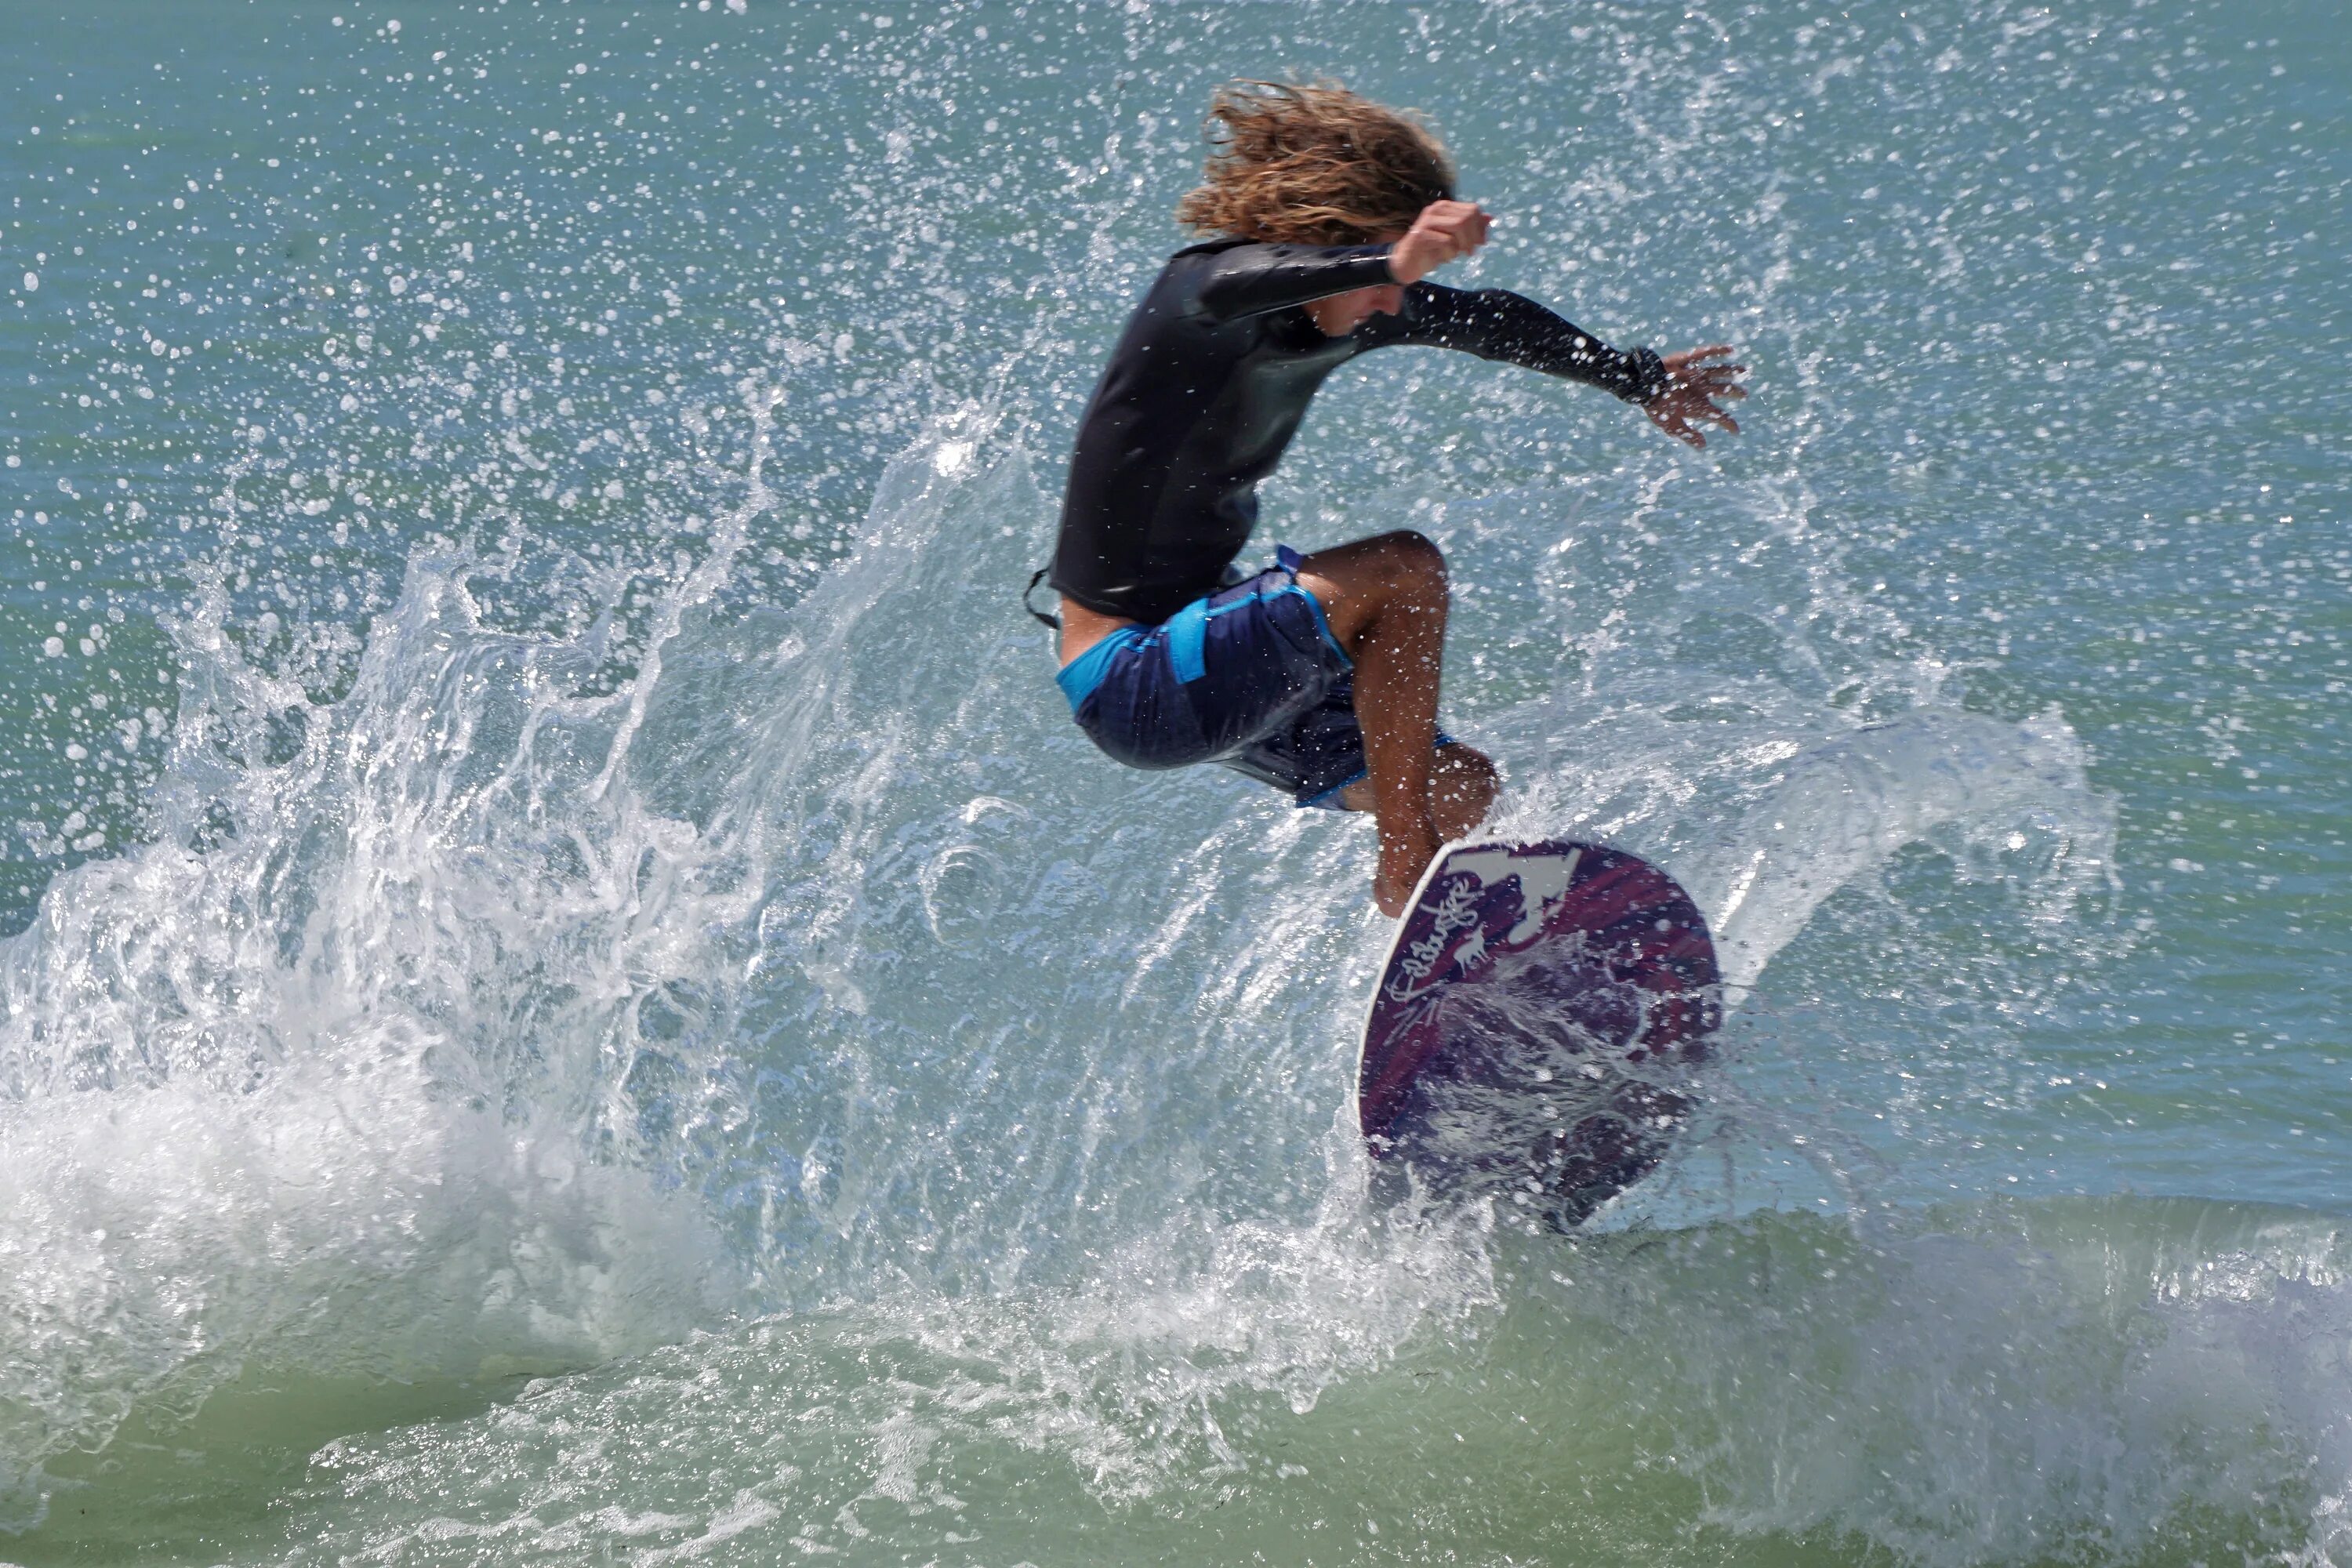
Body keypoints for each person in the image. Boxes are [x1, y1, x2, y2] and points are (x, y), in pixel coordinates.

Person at [1043, 81, 1745, 916]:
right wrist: (1392, 261)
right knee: (1404, 569)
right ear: (1326, 243)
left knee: (1459, 788)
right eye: (1377, 271)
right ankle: (1401, 859)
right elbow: (1250, 276)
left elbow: (1492, 322)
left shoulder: (1357, 311)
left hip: (1208, 673)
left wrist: (1636, 377)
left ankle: (1469, 995)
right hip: (1135, 675)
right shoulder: (1199, 294)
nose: (1391, 301)